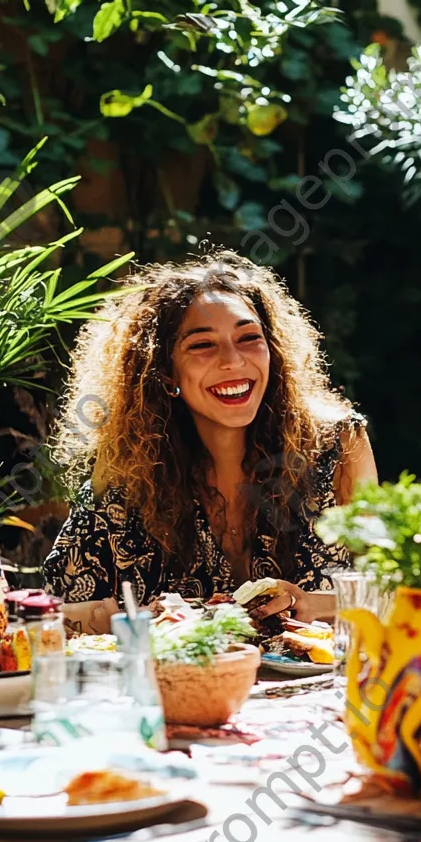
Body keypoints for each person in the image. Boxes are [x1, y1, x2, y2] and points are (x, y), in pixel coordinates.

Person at [44, 252, 377, 624]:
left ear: (275, 353)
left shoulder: (338, 445)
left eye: (249, 337)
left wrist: (314, 605)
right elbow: (53, 611)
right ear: (164, 373)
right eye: (202, 345)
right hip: (178, 681)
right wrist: (140, 618)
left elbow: (395, 592)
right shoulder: (127, 464)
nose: (233, 360)